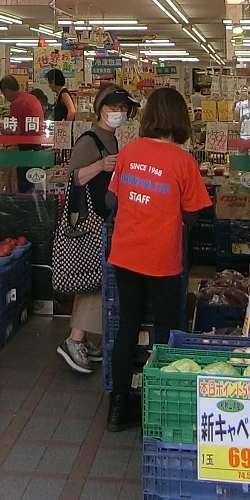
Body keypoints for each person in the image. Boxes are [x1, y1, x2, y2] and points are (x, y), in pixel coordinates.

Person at [104, 85, 212, 431]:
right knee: (165, 331)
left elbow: (111, 201)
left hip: (125, 253)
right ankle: (159, 409)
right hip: (162, 258)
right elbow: (193, 216)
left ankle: (117, 408)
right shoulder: (184, 161)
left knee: (127, 327)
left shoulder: (130, 152)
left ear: (149, 116)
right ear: (181, 119)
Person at [56, 86, 131, 375]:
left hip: (104, 218)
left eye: (123, 109)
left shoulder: (112, 138)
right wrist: (100, 165)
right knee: (93, 279)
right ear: (100, 109)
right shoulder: (89, 140)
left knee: (97, 278)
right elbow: (72, 178)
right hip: (89, 222)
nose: (118, 113)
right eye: (113, 108)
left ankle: (82, 338)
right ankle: (74, 340)